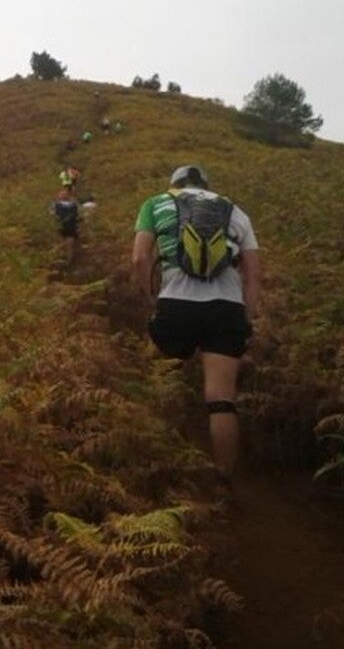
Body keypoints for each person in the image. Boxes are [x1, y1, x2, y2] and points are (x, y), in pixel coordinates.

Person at [132, 165, 261, 484]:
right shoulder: (234, 210)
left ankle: (151, 457)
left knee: (149, 376)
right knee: (221, 399)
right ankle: (224, 481)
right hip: (226, 308)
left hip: (176, 303)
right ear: (207, 185)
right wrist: (245, 320)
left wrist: (152, 298)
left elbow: (139, 258)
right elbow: (253, 274)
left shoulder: (156, 203)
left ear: (173, 184)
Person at [52, 178, 82, 265]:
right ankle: (61, 259)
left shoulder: (74, 205)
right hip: (61, 226)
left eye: (64, 194)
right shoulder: (56, 205)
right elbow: (52, 214)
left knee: (69, 244)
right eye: (61, 194)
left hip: (70, 226)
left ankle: (68, 261)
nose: (62, 195)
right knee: (61, 243)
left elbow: (78, 215)